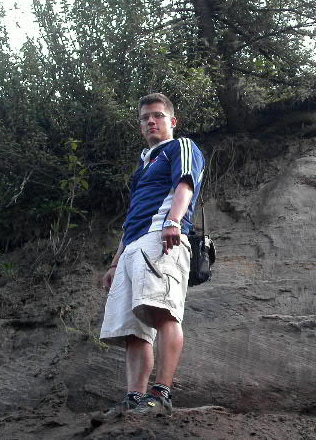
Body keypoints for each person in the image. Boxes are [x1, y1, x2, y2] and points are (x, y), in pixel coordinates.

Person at [94, 93, 204, 420]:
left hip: (161, 237)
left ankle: (161, 395)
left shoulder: (180, 146)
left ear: (172, 121)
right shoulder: (142, 166)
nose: (151, 121)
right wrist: (115, 262)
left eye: (157, 115)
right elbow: (130, 218)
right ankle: (133, 399)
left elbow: (185, 184)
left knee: (163, 312)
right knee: (133, 330)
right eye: (145, 118)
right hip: (132, 247)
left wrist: (174, 221)